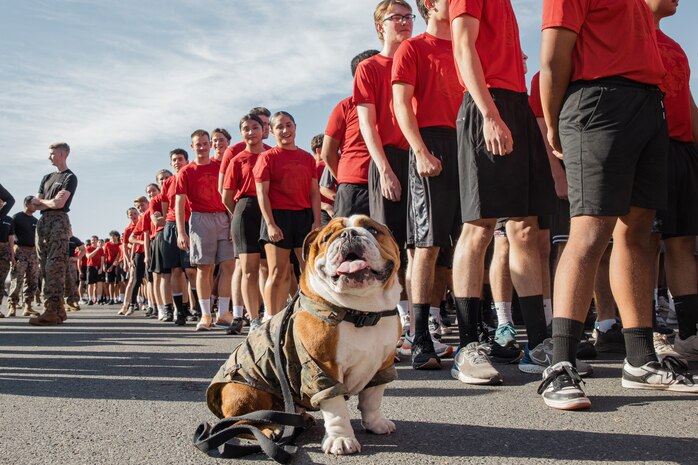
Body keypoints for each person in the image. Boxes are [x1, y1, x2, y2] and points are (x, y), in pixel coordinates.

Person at [539, 0, 697, 410]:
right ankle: (559, 366)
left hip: (647, 102)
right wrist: (555, 125)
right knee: (590, 231)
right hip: (596, 102)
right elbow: (554, 56)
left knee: (639, 233)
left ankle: (640, 360)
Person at [449, 0, 556, 383]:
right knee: (478, 226)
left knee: (526, 228)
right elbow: (463, 48)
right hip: (486, 106)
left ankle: (538, 345)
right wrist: (490, 115)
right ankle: (467, 346)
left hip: (516, 104)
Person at [392, 0, 463, 370]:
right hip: (431, 143)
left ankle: (469, 332)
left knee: (468, 243)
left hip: (467, 143)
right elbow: (401, 104)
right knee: (427, 246)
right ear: (431, 5)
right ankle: (419, 337)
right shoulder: (413, 47)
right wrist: (418, 150)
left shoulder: (469, 46)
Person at [646, 0, 698, 362]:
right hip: (648, 149)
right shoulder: (626, 39)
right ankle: (645, 332)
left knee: (682, 242)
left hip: (682, 152)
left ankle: (690, 334)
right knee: (642, 242)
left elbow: (687, 102)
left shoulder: (674, 45)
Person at [254, 111, 320, 316]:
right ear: (271, 131)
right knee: (278, 272)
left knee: (308, 271)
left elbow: (314, 192)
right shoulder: (266, 158)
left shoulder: (308, 159)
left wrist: (316, 220)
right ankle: (270, 319)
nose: (285, 130)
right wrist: (271, 223)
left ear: (295, 127)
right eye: (280, 127)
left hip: (303, 217)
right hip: (278, 217)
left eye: (289, 125)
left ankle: (308, 315)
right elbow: (262, 193)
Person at [176, 129, 236, 331]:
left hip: (223, 217)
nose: (202, 147)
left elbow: (229, 195)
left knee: (228, 265)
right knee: (205, 267)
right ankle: (205, 315)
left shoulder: (220, 167)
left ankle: (224, 313)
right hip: (200, 219)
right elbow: (179, 202)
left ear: (210, 144)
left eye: (205, 143)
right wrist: (181, 232)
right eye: (198, 144)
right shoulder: (186, 171)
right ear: (192, 146)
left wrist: (231, 220)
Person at [222, 114, 267, 332]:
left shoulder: (272, 154)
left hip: (270, 211)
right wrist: (239, 213)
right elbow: (226, 196)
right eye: (246, 129)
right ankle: (254, 319)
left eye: (255, 127)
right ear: (241, 133)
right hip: (245, 210)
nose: (251, 132)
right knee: (249, 269)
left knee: (269, 267)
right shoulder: (237, 160)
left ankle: (270, 314)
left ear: (263, 129)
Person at [321, 50, 379, 218]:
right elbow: (327, 152)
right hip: (354, 187)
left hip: (390, 182)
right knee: (348, 240)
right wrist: (346, 177)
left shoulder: (395, 101)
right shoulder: (345, 106)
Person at [29, 142, 78, 325]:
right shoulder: (47, 177)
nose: (49, 156)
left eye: (52, 153)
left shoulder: (69, 177)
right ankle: (59, 310)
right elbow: (34, 204)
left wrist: (44, 202)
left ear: (63, 154)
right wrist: (46, 202)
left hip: (59, 221)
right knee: (44, 266)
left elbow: (59, 204)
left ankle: (50, 310)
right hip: (43, 222)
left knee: (54, 266)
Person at [161, 148, 198, 325]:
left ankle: (197, 307)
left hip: (190, 223)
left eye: (180, 159)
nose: (177, 162)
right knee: (175, 270)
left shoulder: (191, 174)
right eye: (174, 160)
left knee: (191, 269)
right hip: (171, 225)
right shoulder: (168, 182)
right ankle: (180, 311)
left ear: (186, 160)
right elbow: (165, 206)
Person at [8, 196, 39, 317]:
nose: (35, 206)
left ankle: (28, 306)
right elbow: (11, 234)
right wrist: (13, 253)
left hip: (33, 252)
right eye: (33, 204)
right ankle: (12, 306)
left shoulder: (36, 221)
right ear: (26, 203)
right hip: (20, 250)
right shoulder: (17, 217)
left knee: (32, 281)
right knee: (17, 280)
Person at [0, 205, 15, 317]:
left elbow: (11, 239)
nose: (1, 204)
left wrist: (12, 255)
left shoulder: (9, 220)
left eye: (2, 202)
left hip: (4, 250)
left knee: (1, 281)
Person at [65, 233, 85, 312]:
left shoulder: (74, 239)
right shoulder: (59, 237)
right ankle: (64, 302)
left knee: (72, 281)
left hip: (70, 263)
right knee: (61, 283)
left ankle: (74, 301)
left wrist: (77, 258)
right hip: (59, 262)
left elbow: (83, 249)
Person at [85, 236, 105, 305]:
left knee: (99, 283)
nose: (93, 241)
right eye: (92, 240)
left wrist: (101, 268)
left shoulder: (101, 249)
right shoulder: (88, 248)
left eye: (94, 240)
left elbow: (102, 259)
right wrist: (96, 249)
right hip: (90, 267)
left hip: (98, 267)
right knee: (90, 284)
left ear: (97, 240)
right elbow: (88, 256)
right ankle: (90, 299)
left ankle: (99, 299)